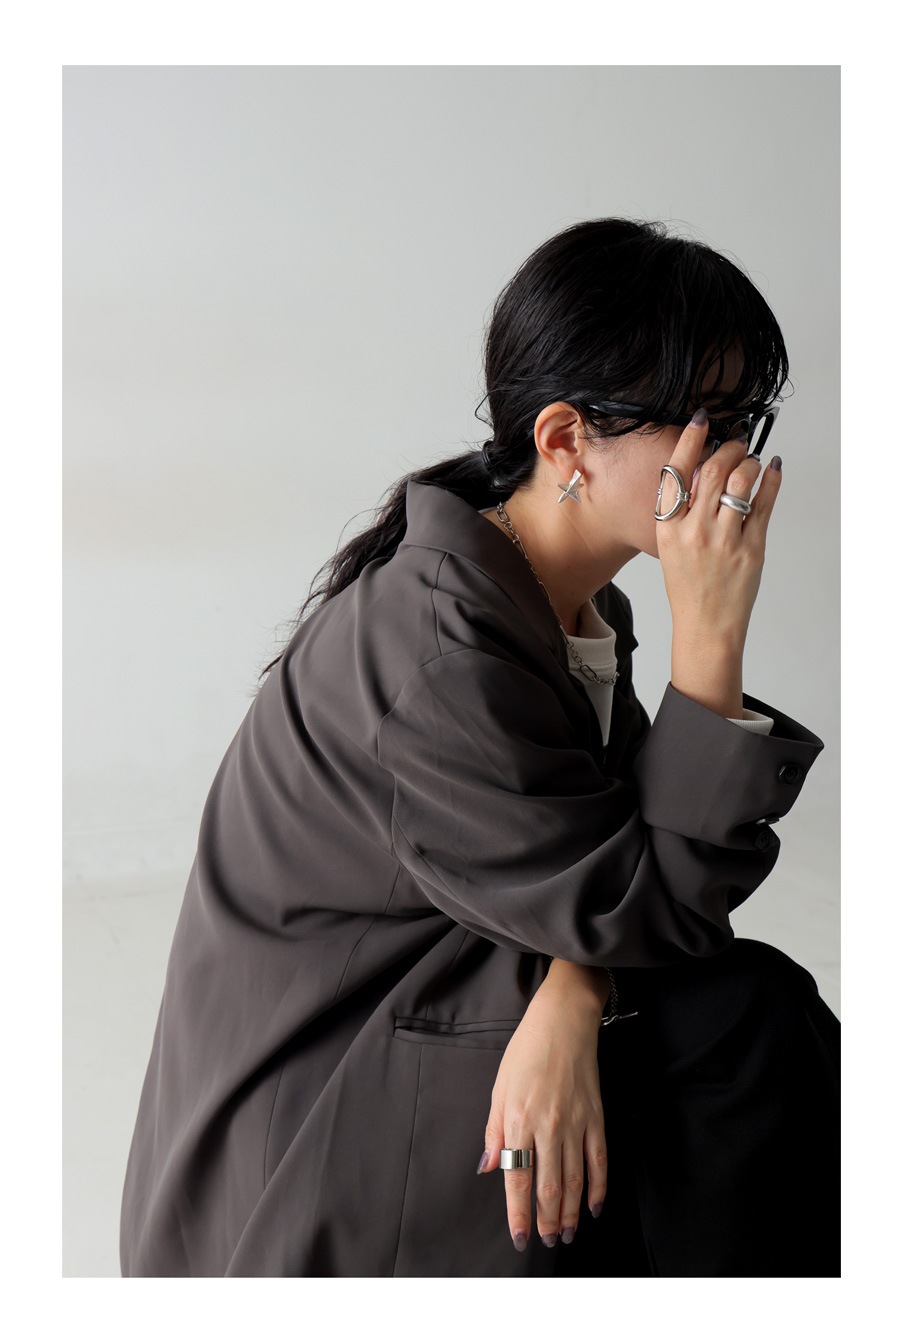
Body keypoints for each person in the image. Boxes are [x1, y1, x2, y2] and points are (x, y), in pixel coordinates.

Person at [119, 217, 838, 1278]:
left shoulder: (563, 602)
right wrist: (713, 637)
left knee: (742, 1021)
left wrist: (575, 993)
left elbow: (607, 863)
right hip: (311, 1122)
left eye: (744, 420)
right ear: (565, 441)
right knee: (738, 1029)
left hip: (434, 1010)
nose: (732, 462)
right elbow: (647, 905)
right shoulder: (439, 642)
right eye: (701, 420)